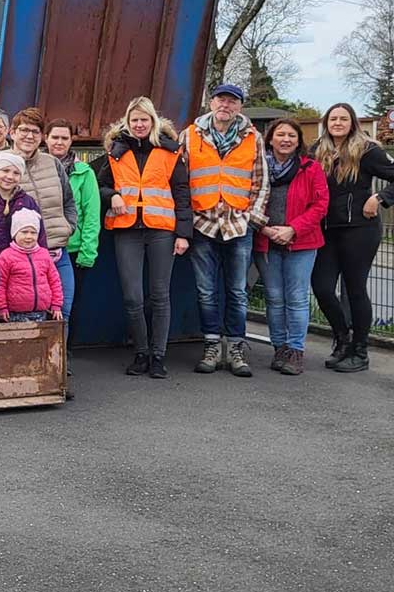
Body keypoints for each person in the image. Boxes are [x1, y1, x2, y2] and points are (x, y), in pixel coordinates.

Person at [96, 97, 192, 379]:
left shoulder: (170, 152)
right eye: (134, 120)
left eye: (144, 120)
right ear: (127, 122)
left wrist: (184, 234)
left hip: (162, 229)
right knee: (132, 297)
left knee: (160, 295)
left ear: (153, 122)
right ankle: (141, 352)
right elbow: (99, 184)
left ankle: (159, 356)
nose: (139, 125)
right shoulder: (115, 152)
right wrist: (111, 195)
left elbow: (182, 194)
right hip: (127, 229)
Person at [181, 84, 269, 377]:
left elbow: (260, 181)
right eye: (221, 99)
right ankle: (211, 345)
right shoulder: (191, 136)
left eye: (232, 101)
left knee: (237, 291)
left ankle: (235, 348)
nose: (226, 105)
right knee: (206, 291)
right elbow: (181, 178)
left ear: (240, 107)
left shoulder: (252, 138)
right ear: (211, 102)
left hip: (238, 224)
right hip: (202, 222)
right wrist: (187, 219)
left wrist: (253, 218)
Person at [309, 103, 394, 373]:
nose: (337, 122)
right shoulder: (316, 151)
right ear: (326, 122)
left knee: (355, 289)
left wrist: (380, 197)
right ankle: (342, 340)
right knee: (321, 287)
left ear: (352, 122)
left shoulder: (367, 150)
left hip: (360, 228)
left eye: (343, 118)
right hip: (327, 230)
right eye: (333, 118)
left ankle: (360, 351)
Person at [254, 118, 328, 376]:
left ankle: (295, 350)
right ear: (270, 138)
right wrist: (263, 228)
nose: (286, 139)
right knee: (274, 298)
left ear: (299, 141)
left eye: (291, 136)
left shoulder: (311, 168)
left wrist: (292, 229)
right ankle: (279, 348)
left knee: (296, 298)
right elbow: (247, 200)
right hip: (266, 239)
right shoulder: (258, 167)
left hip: (302, 242)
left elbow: (320, 205)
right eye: (280, 134)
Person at [10, 108, 78, 326]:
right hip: (24, 258)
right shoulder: (3, 165)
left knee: (62, 314)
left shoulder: (53, 163)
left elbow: (68, 201)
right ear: (12, 132)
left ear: (41, 136)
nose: (29, 136)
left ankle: (58, 361)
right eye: (24, 130)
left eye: (35, 131)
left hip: (59, 253)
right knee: (29, 319)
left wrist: (69, 227)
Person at [44, 119, 100, 282]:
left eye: (64, 138)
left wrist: (87, 253)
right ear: (46, 138)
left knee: (68, 304)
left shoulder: (84, 173)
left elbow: (91, 215)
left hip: (73, 249)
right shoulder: (34, 169)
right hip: (39, 248)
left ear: (71, 140)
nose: (59, 142)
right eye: (55, 137)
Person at [0, 151, 46, 260]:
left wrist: (42, 261)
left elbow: (40, 236)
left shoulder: (27, 202)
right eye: (5, 171)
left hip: (21, 266)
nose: (10, 176)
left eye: (16, 173)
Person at [0, 210, 64, 323]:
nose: (29, 236)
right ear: (15, 233)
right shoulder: (6, 256)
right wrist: (1, 306)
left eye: (33, 232)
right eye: (24, 232)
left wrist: (56, 304)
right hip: (15, 314)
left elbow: (55, 281)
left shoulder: (44, 254)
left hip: (41, 312)